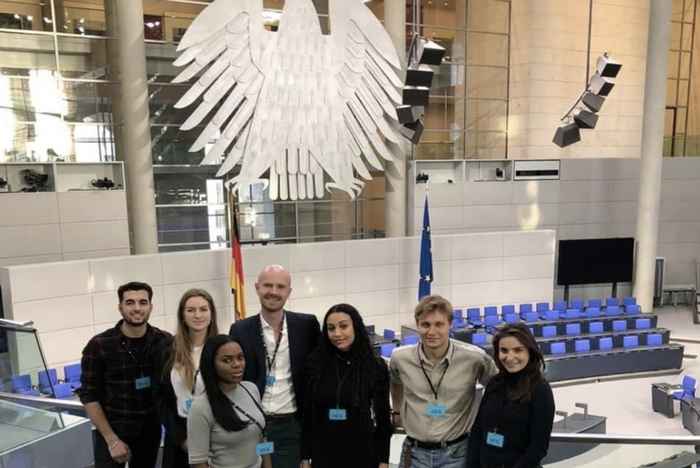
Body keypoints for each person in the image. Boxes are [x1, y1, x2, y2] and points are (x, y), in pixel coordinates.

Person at [390, 294, 499, 468]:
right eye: (425, 324)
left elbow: (498, 388)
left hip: (458, 454)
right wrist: (397, 411)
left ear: (450, 324)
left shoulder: (474, 358)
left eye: (439, 324)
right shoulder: (400, 358)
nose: (432, 332)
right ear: (417, 325)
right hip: (415, 453)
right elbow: (395, 381)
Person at [229, 264, 321, 468]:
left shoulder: (307, 326)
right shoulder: (240, 330)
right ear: (257, 288)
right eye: (267, 285)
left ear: (289, 291)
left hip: (292, 425)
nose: (273, 292)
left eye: (280, 287)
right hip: (251, 424)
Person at [78, 281, 172, 468]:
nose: (137, 308)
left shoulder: (165, 341)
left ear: (151, 307)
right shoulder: (99, 345)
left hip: (149, 431)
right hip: (112, 430)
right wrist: (112, 440)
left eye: (143, 302)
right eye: (130, 303)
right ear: (120, 307)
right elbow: (89, 395)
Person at [300, 303, 393, 468]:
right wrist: (305, 456)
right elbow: (308, 414)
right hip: (324, 452)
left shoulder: (374, 365)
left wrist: (383, 459)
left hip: (362, 451)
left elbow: (383, 417)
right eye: (331, 328)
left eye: (343, 326)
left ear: (355, 326)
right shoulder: (316, 362)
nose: (337, 333)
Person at [466, 323, 555, 468]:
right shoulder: (495, 382)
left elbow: (538, 448)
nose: (509, 357)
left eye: (518, 350)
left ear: (529, 351)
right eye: (504, 350)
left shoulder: (540, 390)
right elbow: (478, 431)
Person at [187, 334, 272, 468]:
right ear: (211, 364)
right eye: (227, 360)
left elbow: (261, 436)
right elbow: (198, 463)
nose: (237, 364)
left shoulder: (251, 389)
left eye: (240, 358)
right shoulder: (201, 407)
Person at [158, 289, 220, 468]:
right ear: (182, 315)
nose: (198, 315)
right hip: (179, 435)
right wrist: (181, 438)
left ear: (211, 314)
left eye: (203, 309)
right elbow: (161, 398)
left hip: (215, 433)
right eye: (191, 310)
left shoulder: (223, 347)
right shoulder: (167, 349)